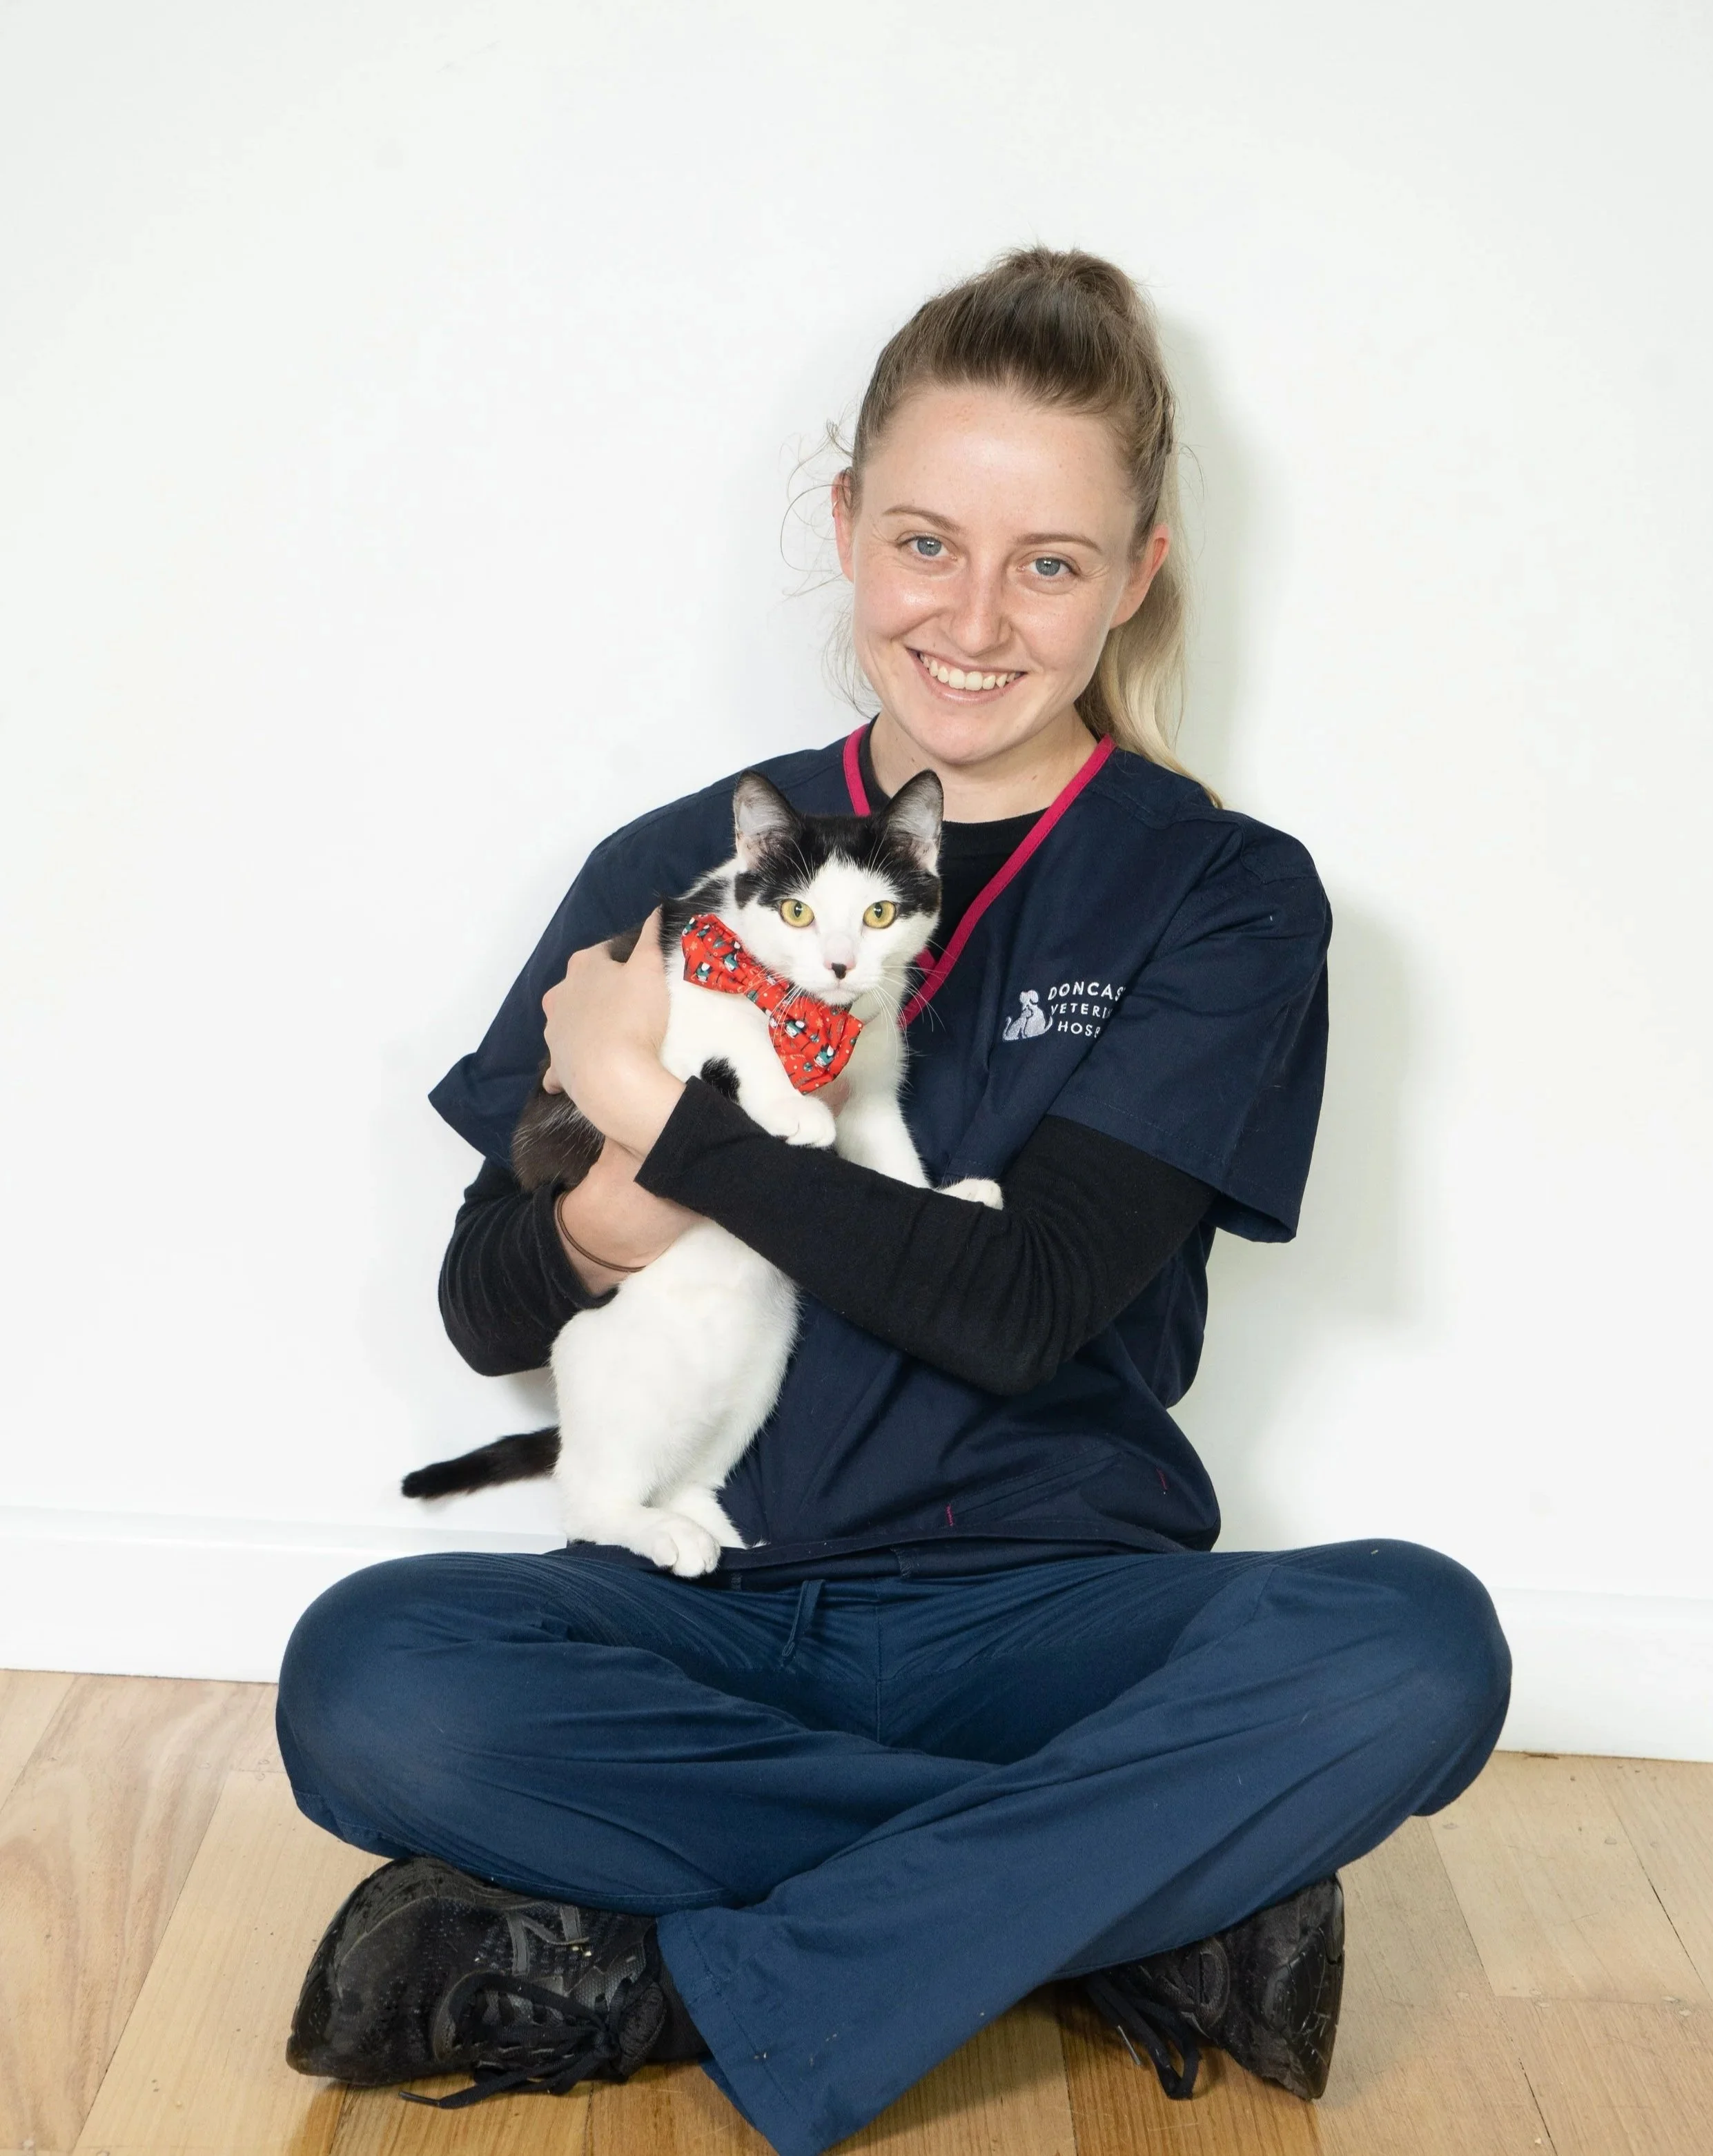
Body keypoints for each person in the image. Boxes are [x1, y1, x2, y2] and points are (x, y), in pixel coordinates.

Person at [275, 248, 1510, 2155]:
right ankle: (1107, 1885)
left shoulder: (1219, 893)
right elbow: (489, 1305)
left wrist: (669, 1125)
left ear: (1138, 571)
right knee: (374, 1683)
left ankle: (684, 1970)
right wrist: (607, 1202)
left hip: (1054, 1620)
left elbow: (1022, 1306)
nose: (978, 619)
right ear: (844, 526)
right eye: (927, 539)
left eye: (1050, 562)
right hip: (708, 1605)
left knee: (1413, 1645)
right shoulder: (677, 857)